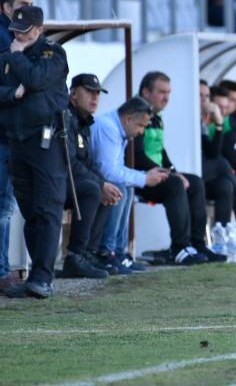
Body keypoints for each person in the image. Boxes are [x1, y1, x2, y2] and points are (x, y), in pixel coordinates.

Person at [1, 6, 68, 299]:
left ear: (39, 30)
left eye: (25, 30)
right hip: (16, 142)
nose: (18, 35)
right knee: (29, 211)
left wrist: (17, 60)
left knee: (47, 209)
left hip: (45, 142)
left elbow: (37, 80)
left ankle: (43, 276)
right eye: (15, 29)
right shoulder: (8, 57)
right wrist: (10, 94)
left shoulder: (52, 54)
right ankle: (35, 277)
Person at [133, 71, 223, 264]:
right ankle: (179, 248)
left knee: (195, 182)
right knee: (175, 184)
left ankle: (197, 244)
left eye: (169, 93)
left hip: (157, 174)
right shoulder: (136, 114)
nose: (166, 98)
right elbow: (137, 157)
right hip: (139, 177)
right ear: (145, 92)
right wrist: (170, 175)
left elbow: (160, 152)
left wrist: (173, 171)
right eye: (161, 92)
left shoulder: (155, 116)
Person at [89, 97, 169, 273]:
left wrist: (143, 176)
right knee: (120, 188)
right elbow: (108, 172)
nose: (141, 132)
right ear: (128, 119)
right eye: (140, 126)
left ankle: (119, 251)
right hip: (87, 181)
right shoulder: (108, 127)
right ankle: (107, 252)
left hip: (94, 180)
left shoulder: (119, 129)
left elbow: (116, 170)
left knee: (126, 187)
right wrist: (144, 179)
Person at [61, 74, 123, 279]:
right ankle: (75, 256)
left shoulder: (84, 122)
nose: (95, 97)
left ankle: (88, 253)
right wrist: (99, 184)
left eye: (97, 93)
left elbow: (88, 163)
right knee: (92, 189)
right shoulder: (66, 118)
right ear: (73, 94)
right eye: (89, 91)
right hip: (56, 182)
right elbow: (69, 162)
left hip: (72, 182)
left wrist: (104, 184)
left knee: (108, 189)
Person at [0, 0, 32, 293]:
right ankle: (2, 272)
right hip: (4, 136)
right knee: (3, 206)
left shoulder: (22, 39)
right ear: (6, 8)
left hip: (15, 136)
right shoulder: (5, 41)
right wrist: (14, 93)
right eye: (22, 4)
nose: (27, 10)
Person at [200, 80, 236, 223]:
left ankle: (222, 233)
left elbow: (213, 153)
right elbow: (217, 156)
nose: (222, 112)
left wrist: (219, 125)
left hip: (205, 173)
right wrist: (219, 124)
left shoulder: (210, 123)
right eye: (218, 107)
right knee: (223, 165)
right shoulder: (195, 120)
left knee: (226, 185)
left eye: (225, 107)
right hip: (191, 172)